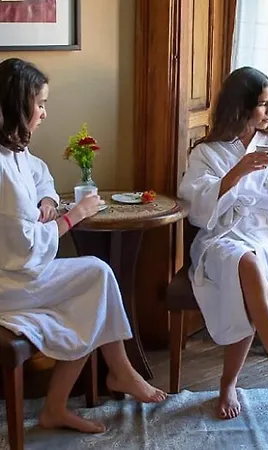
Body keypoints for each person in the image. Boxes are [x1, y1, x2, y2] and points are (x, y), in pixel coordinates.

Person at [0, 57, 167, 434]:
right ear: (19, 104)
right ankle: (113, 375)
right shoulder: (1, 169)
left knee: (95, 282)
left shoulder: (15, 150)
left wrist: (47, 201)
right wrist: (74, 216)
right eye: (40, 104)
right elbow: (24, 250)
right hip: (9, 282)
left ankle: (81, 394)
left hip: (19, 272)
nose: (44, 113)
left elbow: (41, 174)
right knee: (97, 278)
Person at [178, 66, 268, 420]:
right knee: (246, 262)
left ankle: (232, 382)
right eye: (263, 104)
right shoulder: (206, 152)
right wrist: (237, 171)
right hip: (221, 237)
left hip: (263, 235)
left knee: (262, 271)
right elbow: (196, 208)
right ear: (241, 106)